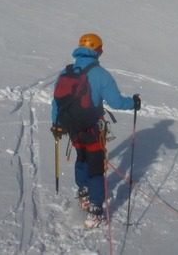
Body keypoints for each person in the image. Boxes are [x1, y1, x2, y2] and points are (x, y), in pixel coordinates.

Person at [51, 32, 141, 228]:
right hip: (93, 129)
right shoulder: (100, 74)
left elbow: (56, 102)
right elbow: (116, 102)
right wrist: (133, 103)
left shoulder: (67, 72)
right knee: (96, 167)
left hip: (72, 128)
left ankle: (83, 191)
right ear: (98, 51)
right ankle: (95, 209)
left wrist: (56, 124)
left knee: (81, 157)